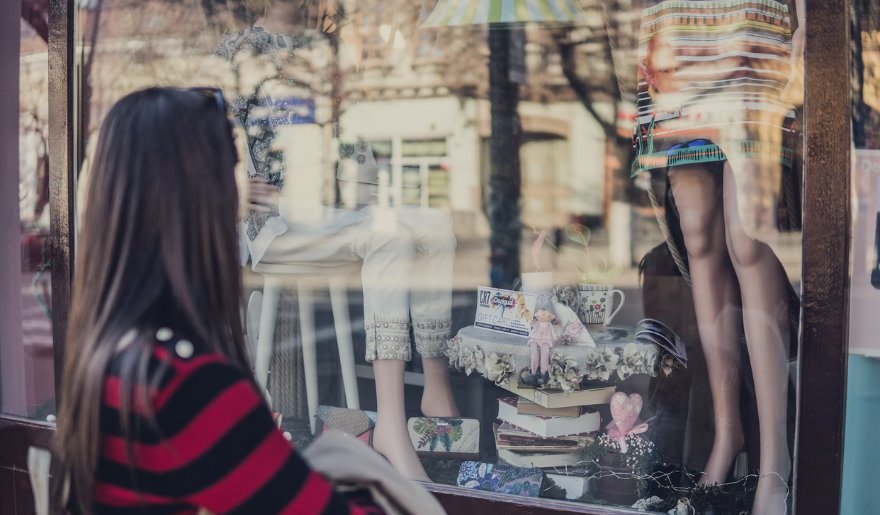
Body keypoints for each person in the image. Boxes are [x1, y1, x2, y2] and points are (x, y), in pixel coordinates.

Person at [54, 87, 386, 514]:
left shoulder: (110, 352)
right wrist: (363, 470)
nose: (245, 198)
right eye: (235, 171)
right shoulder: (187, 385)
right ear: (200, 198)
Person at [632, 1, 804, 514]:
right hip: (677, 26)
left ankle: (777, 459)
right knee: (699, 232)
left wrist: (806, 28)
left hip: (752, 21)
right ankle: (727, 436)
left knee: (748, 237)